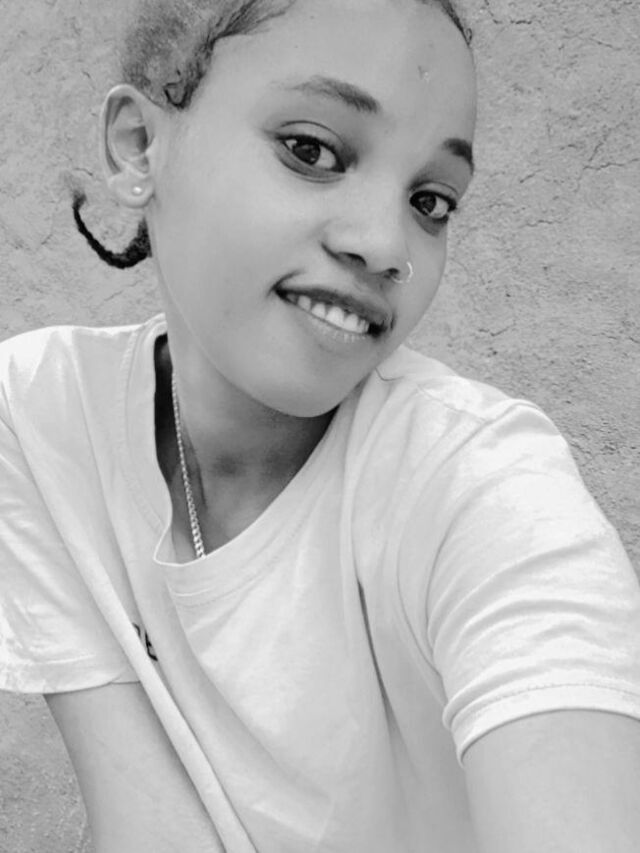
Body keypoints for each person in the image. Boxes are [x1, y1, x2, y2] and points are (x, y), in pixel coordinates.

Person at [1, 0, 639, 851]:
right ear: (140, 145)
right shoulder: (42, 414)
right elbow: (146, 819)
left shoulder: (481, 490)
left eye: (431, 200)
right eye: (312, 150)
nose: (386, 244)